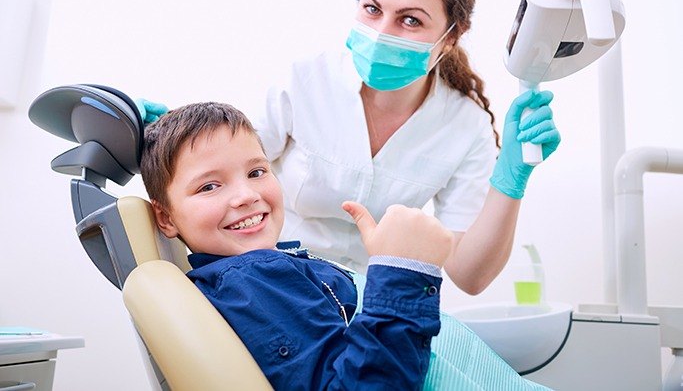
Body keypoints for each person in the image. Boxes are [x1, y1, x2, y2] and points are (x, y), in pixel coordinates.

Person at [136, 0, 561, 294]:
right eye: (372, 9)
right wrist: (163, 135)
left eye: (410, 20)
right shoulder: (305, 81)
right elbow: (225, 168)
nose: (381, 33)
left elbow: (468, 275)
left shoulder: (464, 126)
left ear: (452, 36)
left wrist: (511, 181)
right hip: (272, 288)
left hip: (367, 304)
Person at [139, 101, 550, 390]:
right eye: (210, 185)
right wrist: (402, 272)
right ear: (166, 217)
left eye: (257, 171)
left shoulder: (266, 269)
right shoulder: (257, 280)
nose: (246, 195)